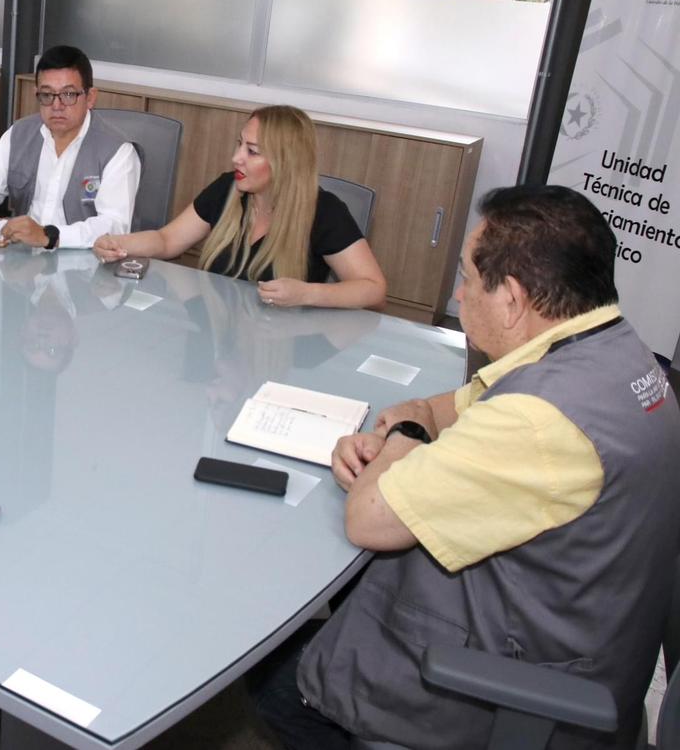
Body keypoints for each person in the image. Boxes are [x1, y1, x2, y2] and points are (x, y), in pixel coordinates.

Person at [252, 186, 680, 749]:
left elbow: (368, 519)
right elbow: (447, 407)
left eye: (468, 279)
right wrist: (416, 416)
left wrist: (402, 435)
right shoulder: (612, 349)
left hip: (520, 688)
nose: (457, 294)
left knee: (275, 680)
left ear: (513, 300)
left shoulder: (539, 420)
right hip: (581, 633)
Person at [94, 105, 386, 309]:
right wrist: (119, 243)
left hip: (281, 348)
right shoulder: (228, 188)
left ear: (285, 161)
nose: (236, 158)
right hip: (218, 336)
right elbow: (168, 240)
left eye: (252, 151)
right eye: (239, 145)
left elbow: (373, 289)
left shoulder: (324, 211)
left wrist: (307, 294)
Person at [0, 45, 140, 250]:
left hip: (85, 264)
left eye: (69, 94)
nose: (57, 105)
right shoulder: (19, 133)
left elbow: (114, 225)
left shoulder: (117, 151)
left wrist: (49, 236)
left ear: (90, 97)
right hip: (22, 260)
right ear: (37, 94)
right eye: (47, 95)